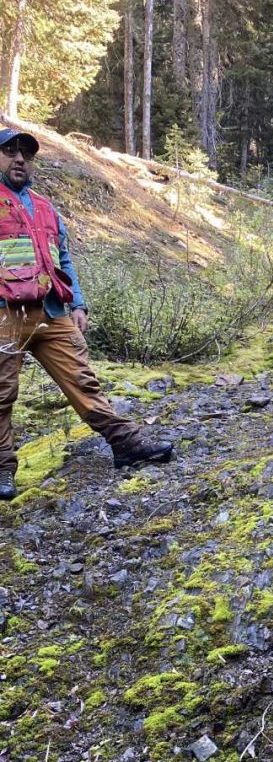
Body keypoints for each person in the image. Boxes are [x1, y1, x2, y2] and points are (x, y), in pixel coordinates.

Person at [0, 128, 173, 501]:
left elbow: (63, 259)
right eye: (10, 151)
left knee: (83, 380)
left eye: (26, 154)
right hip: (4, 316)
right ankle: (2, 469)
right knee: (1, 393)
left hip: (51, 312)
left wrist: (77, 303)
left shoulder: (45, 208)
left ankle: (125, 444)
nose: (19, 159)